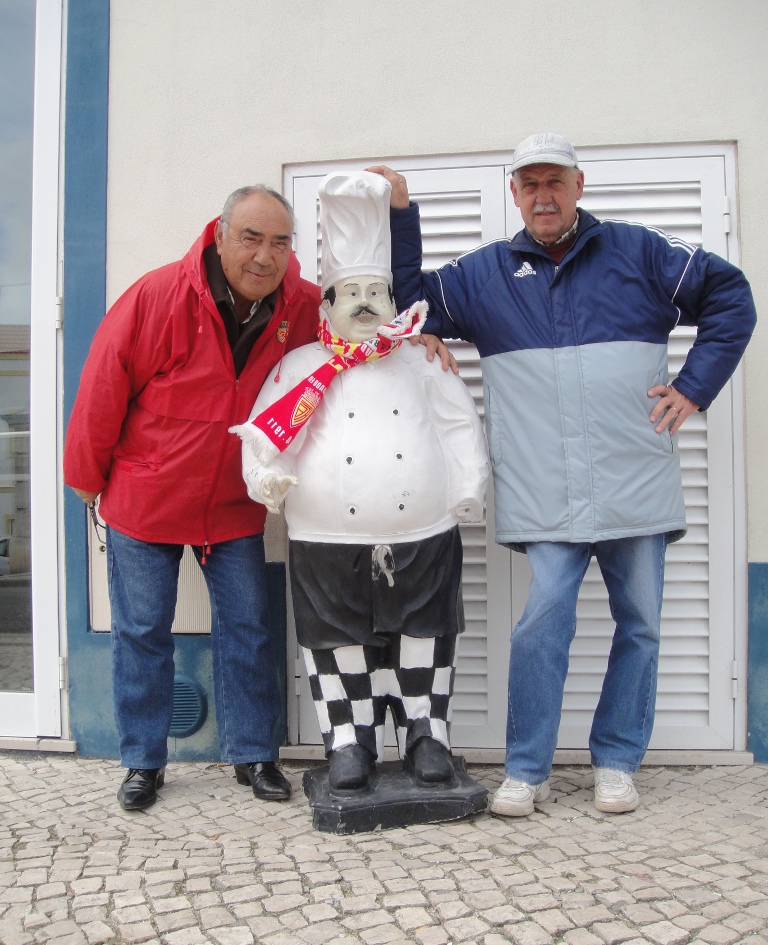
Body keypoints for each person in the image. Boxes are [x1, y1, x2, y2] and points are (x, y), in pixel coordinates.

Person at [369, 132, 757, 816]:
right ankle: (528, 768)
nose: (543, 196)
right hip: (545, 487)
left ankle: (617, 762)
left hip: (635, 479)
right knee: (541, 625)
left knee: (641, 626)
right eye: (530, 184)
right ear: (514, 194)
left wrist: (694, 386)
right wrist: (402, 215)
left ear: (579, 186)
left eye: (555, 182)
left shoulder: (640, 253)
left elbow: (730, 295)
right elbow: (408, 303)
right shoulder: (486, 275)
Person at [64, 186, 321, 810]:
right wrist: (85, 476)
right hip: (146, 497)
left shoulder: (304, 305)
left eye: (280, 242)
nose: (265, 256)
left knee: (250, 630)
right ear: (221, 235)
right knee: (142, 633)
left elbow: (356, 338)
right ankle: (142, 762)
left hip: (233, 503)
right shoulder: (157, 296)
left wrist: (420, 341)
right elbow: (102, 385)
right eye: (251, 238)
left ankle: (254, 754)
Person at [232, 171, 488, 793]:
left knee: (424, 638)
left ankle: (427, 736)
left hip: (423, 534)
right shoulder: (301, 367)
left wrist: (469, 487)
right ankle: (349, 742)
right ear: (326, 303)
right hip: (325, 542)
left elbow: (460, 425)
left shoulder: (423, 360)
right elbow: (266, 437)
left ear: (395, 301)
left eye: (378, 291)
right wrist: (266, 480)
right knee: (336, 644)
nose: (367, 302)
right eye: (352, 292)